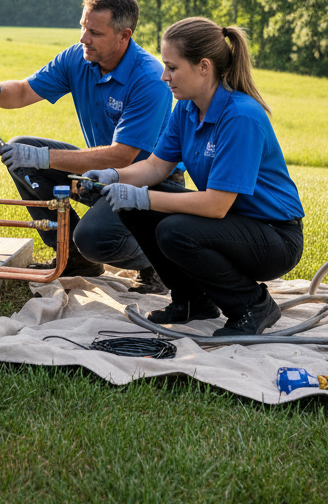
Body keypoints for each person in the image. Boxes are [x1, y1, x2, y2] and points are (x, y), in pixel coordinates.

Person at [80, 18, 304, 335]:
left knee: (174, 229)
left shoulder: (240, 116)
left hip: (274, 237)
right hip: (234, 224)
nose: (164, 76)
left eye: (172, 67)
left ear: (203, 67)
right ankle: (192, 300)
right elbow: (156, 167)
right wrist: (111, 176)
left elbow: (216, 206)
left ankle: (252, 305)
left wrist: (141, 196)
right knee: (135, 206)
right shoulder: (186, 109)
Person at [0, 0, 179, 290]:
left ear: (124, 35)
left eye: (94, 32)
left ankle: (160, 258)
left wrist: (43, 158)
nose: (83, 38)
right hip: (101, 174)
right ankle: (76, 257)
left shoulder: (149, 78)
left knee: (95, 238)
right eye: (82, 27)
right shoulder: (78, 58)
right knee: (21, 149)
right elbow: (23, 91)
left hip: (149, 181)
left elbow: (122, 156)